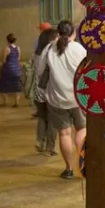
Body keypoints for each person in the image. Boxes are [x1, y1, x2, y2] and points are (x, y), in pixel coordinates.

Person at [36, 20, 86, 179]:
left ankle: (69, 169)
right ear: (74, 33)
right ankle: (83, 166)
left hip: (56, 98)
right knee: (81, 130)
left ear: (58, 33)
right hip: (78, 97)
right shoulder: (79, 49)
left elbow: (39, 72)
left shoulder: (49, 48)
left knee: (64, 134)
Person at [30, 27, 58, 155]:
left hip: (38, 91)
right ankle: (50, 147)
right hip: (50, 90)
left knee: (42, 117)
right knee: (52, 119)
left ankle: (39, 141)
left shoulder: (37, 53)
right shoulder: (53, 52)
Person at [0, 33, 22, 107]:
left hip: (8, 69)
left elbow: (4, 60)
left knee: (4, 84)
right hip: (16, 69)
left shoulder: (6, 48)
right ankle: (16, 102)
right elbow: (18, 59)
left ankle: (6, 102)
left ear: (7, 40)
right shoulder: (18, 48)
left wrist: (1, 67)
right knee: (17, 85)